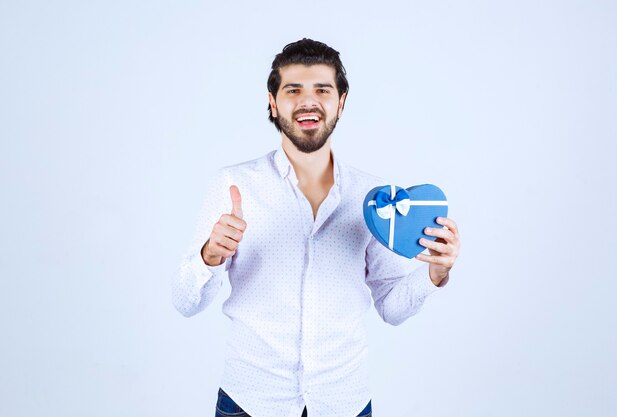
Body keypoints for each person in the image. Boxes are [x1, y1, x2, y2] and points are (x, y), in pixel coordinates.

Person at [173, 38, 461, 417]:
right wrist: (210, 256)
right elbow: (185, 302)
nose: (308, 101)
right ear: (272, 102)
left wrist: (435, 274)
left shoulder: (373, 198)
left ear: (341, 101)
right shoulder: (233, 185)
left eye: (322, 90)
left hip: (344, 402)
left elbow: (391, 307)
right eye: (293, 90)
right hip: (250, 401)